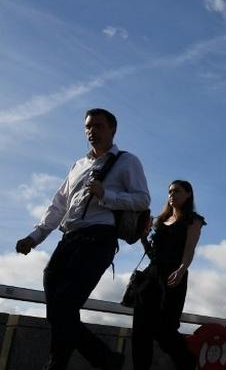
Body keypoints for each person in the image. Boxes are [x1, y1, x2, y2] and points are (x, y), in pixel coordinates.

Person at [15, 108, 150, 370]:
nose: (92, 131)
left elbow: (142, 199)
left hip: (99, 238)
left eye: (99, 126)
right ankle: (106, 360)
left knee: (65, 304)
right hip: (68, 239)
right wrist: (35, 237)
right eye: (88, 126)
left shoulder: (127, 161)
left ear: (113, 130)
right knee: (57, 309)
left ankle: (59, 364)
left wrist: (106, 195)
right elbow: (58, 206)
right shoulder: (79, 165)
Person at [133, 180, 204, 370]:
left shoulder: (193, 220)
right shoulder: (161, 221)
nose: (171, 194)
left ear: (188, 194)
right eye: (169, 191)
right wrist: (143, 239)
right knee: (140, 332)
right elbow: (153, 256)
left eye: (177, 191)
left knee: (165, 331)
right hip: (150, 277)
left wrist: (182, 269)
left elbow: (190, 249)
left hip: (173, 276)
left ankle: (188, 363)